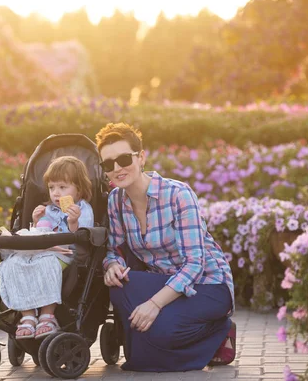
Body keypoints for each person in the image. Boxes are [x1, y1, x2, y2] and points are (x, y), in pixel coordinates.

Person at [95, 122, 236, 372]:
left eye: (124, 158)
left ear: (141, 158)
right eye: (108, 164)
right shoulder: (115, 201)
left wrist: (154, 304)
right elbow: (113, 250)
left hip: (207, 284)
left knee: (158, 333)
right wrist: (112, 265)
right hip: (163, 282)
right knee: (116, 286)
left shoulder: (178, 194)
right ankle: (152, 343)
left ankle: (219, 330)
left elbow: (195, 264)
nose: (117, 168)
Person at [0, 156, 94, 340]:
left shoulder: (82, 208)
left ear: (79, 189)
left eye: (62, 187)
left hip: (65, 253)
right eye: (52, 188)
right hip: (42, 251)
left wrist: (74, 222)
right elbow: (42, 231)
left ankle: (47, 315)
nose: (56, 193)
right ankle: (27, 316)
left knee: (46, 264)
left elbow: (83, 237)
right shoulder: (49, 209)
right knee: (14, 262)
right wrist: (36, 221)